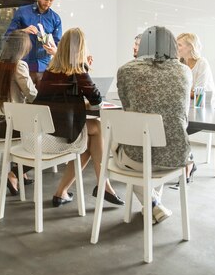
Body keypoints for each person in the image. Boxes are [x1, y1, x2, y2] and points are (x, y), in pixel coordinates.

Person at [27, 27, 124, 208]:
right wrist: (85, 68)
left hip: (40, 133)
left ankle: (64, 192)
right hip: (55, 138)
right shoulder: (77, 70)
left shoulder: (50, 69)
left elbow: (62, 100)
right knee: (95, 131)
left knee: (90, 135)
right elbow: (96, 99)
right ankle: (103, 185)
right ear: (81, 49)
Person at [116, 26, 193, 223]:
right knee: (156, 144)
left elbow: (128, 108)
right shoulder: (185, 71)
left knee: (131, 146)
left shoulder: (126, 70)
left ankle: (152, 204)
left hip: (136, 158)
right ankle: (153, 205)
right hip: (175, 156)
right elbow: (183, 113)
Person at [0, 31, 37, 196]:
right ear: (22, 48)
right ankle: (14, 174)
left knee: (31, 130)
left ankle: (21, 173)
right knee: (44, 137)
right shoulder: (19, 65)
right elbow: (32, 94)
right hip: (8, 125)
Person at [5, 0, 62, 86]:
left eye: (51, 1)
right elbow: (7, 36)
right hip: (23, 68)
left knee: (43, 102)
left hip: (45, 70)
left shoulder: (56, 19)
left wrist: (54, 50)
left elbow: (58, 45)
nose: (48, 3)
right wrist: (23, 31)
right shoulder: (22, 12)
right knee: (21, 102)